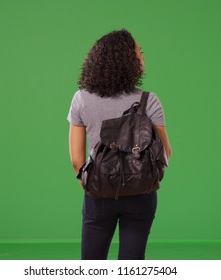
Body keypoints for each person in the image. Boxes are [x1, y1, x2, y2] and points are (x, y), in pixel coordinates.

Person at [66, 29, 172, 260]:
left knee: (92, 264)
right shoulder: (148, 100)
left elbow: (77, 159)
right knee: (132, 264)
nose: (143, 57)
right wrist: (147, 179)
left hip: (99, 191)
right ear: (128, 61)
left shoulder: (81, 98)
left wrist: (91, 185)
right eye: (139, 53)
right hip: (140, 192)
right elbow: (164, 153)